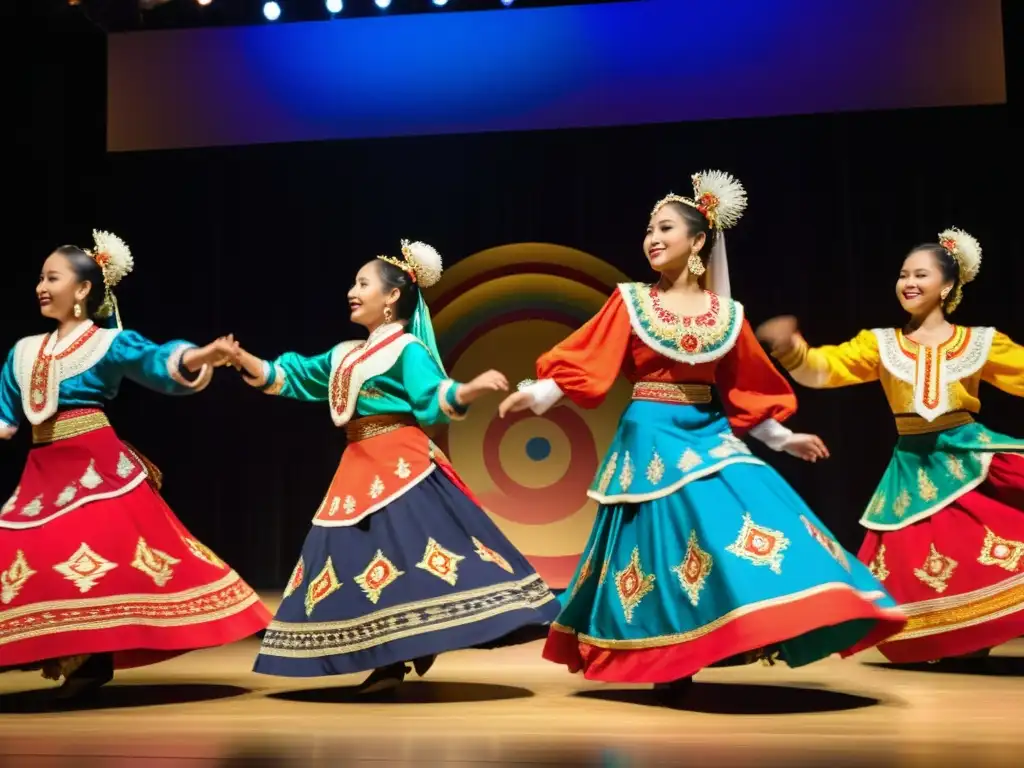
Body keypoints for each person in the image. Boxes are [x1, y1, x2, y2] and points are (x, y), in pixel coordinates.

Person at [497, 171, 906, 698]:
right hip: (649, 437)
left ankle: (780, 614)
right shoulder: (631, 302)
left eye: (665, 227)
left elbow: (745, 391)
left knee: (756, 517)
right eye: (648, 229)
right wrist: (536, 396)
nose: (652, 238)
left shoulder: (728, 315)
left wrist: (785, 439)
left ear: (697, 242)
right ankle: (667, 658)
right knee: (663, 548)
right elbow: (590, 358)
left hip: (708, 431)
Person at [234, 240, 560, 694]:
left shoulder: (408, 350)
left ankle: (397, 659)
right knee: (352, 560)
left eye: (362, 283)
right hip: (357, 465)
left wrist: (468, 389)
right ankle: (390, 653)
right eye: (353, 283)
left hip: (402, 467)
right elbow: (296, 375)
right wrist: (245, 360)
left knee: (410, 560)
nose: (352, 290)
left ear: (391, 298)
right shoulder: (345, 354)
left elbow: (434, 393)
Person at [0, 231, 272, 700]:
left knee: (99, 559)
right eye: (40, 278)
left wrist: (203, 355)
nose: (41, 286)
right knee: (28, 557)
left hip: (95, 469)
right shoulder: (23, 352)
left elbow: (156, 360)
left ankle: (91, 661)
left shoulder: (107, 343)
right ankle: (70, 654)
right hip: (42, 472)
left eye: (53, 277)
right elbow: (6, 419)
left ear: (84, 289)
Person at [756, 227, 1024, 664]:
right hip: (913, 467)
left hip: (968, 454)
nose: (909, 283)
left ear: (949, 285)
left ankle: (975, 634)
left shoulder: (979, 342)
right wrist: (792, 350)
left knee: (982, 545)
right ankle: (954, 635)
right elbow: (824, 369)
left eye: (921, 275)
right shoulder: (881, 345)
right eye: (903, 275)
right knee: (926, 560)